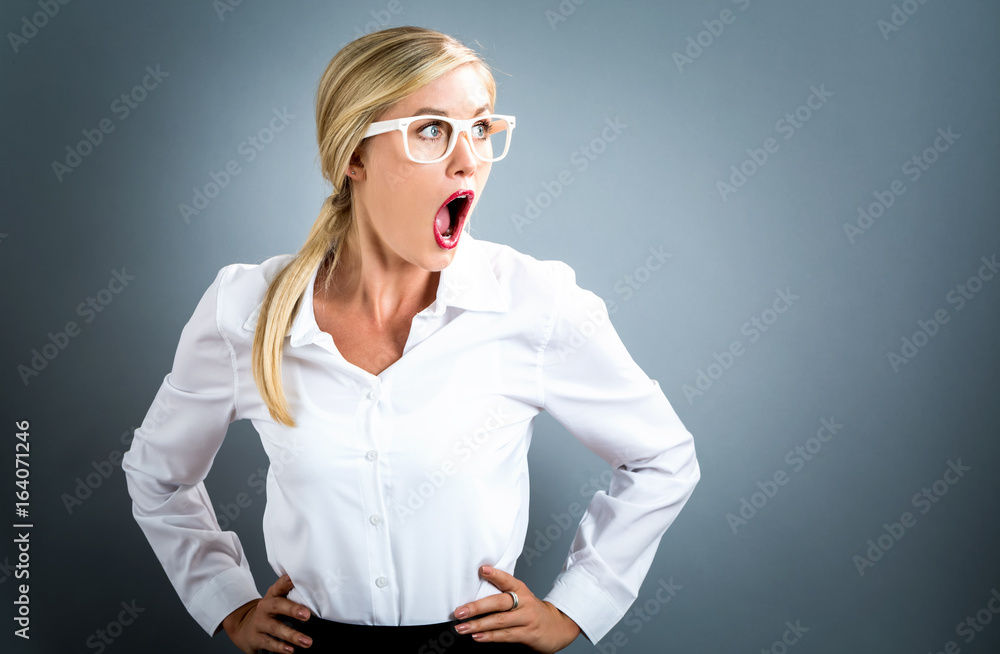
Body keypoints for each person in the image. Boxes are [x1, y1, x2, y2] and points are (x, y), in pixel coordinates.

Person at [122, 25, 701, 654]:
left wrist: (578, 605)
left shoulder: (533, 303)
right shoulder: (246, 310)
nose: (467, 159)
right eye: (431, 129)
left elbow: (661, 459)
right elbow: (159, 476)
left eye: (479, 129)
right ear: (355, 156)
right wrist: (226, 602)